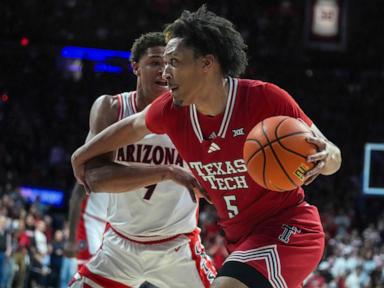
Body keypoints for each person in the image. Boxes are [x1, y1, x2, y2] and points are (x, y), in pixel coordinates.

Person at [71, 6, 342, 288]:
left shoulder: (265, 99)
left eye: (174, 61)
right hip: (239, 239)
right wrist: (82, 154)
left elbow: (332, 154)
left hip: (288, 228)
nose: (166, 72)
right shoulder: (171, 110)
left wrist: (326, 157)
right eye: (163, 62)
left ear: (206, 64)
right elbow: (132, 126)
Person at [68, 31, 216, 288]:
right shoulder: (112, 108)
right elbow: (95, 180)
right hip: (119, 245)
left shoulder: (195, 114)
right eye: (156, 62)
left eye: (171, 63)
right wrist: (167, 172)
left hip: (177, 246)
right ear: (135, 66)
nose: (164, 70)